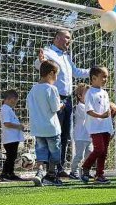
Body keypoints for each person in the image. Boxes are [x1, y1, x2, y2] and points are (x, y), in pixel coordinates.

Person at [35, 29, 90, 178]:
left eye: (70, 38)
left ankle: (59, 167)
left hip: (68, 99)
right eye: (67, 37)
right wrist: (40, 62)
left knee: (65, 134)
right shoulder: (48, 52)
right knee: (53, 133)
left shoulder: (67, 56)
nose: (69, 41)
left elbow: (76, 72)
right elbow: (39, 66)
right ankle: (47, 168)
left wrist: (93, 71)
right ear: (57, 38)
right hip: (55, 97)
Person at [26, 60, 65, 186]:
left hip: (37, 128)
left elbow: (28, 106)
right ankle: (51, 175)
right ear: (51, 74)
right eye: (56, 75)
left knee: (41, 151)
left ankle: (39, 172)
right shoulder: (51, 89)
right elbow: (55, 108)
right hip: (51, 127)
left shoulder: (33, 89)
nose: (56, 78)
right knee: (55, 152)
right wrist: (61, 105)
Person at [81, 66, 114, 185]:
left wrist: (110, 126)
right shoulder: (90, 92)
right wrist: (101, 116)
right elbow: (89, 110)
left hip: (106, 126)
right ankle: (85, 167)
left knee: (104, 152)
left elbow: (107, 112)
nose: (106, 79)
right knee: (99, 149)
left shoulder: (105, 92)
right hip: (95, 127)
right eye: (103, 76)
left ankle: (99, 175)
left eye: (107, 77)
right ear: (94, 78)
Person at [0, 89, 25, 182]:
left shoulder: (7, 109)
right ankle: (6, 174)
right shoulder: (5, 109)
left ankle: (9, 173)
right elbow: (7, 123)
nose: (15, 104)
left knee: (12, 156)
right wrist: (19, 126)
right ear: (11, 99)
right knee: (11, 156)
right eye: (15, 102)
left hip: (12, 138)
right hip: (10, 138)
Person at [69, 83, 93, 180]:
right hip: (80, 136)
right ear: (79, 96)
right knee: (79, 155)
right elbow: (89, 116)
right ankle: (73, 171)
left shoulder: (89, 106)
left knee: (90, 153)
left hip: (89, 136)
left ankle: (86, 171)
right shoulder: (80, 107)